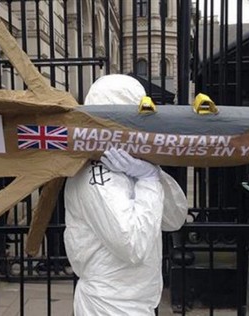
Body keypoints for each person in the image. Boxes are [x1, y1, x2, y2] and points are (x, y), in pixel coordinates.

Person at [64, 74, 188, 315]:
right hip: (110, 302)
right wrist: (148, 180)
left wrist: (152, 174)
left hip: (135, 301)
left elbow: (174, 218)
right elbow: (132, 244)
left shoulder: (132, 166)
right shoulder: (94, 176)